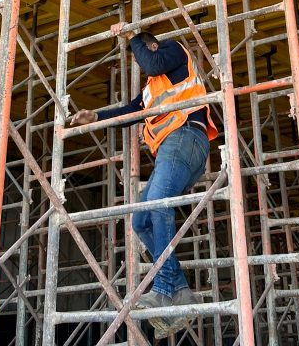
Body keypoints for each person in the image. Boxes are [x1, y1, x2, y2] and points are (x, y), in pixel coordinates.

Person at [70, 28, 217, 332]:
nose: (140, 61)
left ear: (152, 46)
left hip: (185, 136)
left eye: (141, 51)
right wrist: (96, 117)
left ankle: (164, 288)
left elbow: (150, 62)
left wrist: (133, 38)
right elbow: (133, 110)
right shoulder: (153, 88)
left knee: (160, 205)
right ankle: (179, 289)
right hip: (174, 148)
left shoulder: (174, 52)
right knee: (141, 221)